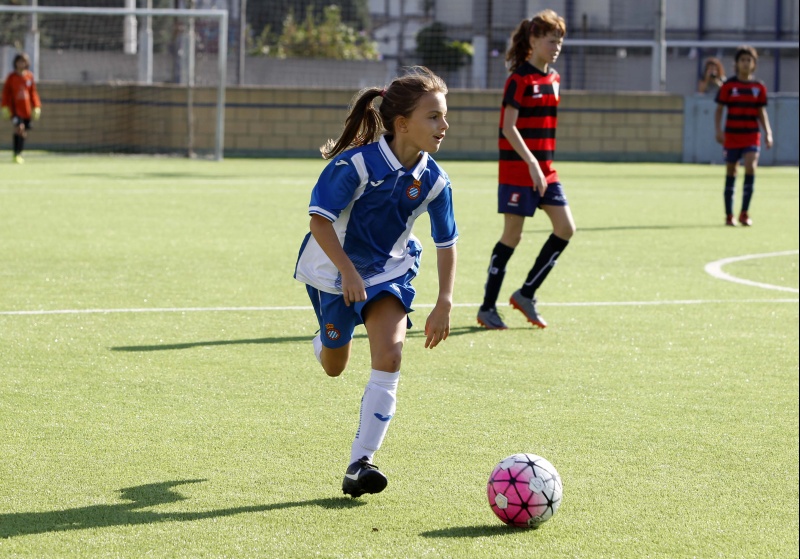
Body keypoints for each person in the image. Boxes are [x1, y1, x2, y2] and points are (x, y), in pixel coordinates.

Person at [293, 66, 458, 498]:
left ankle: (359, 463)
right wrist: (347, 271)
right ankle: (325, 340)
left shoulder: (435, 181)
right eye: (434, 117)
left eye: (444, 116)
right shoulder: (355, 165)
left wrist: (444, 300)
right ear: (402, 124)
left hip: (389, 272)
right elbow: (319, 222)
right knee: (335, 366)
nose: (445, 125)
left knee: (389, 356)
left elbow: (446, 243)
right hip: (333, 273)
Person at [476, 9, 575, 330]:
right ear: (533, 40)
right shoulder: (519, 79)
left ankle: (526, 293)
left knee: (565, 228)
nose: (556, 45)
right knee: (513, 235)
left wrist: (540, 164)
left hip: (545, 169)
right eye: (551, 39)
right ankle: (488, 307)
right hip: (518, 169)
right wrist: (531, 162)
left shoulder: (554, 79)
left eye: (560, 39)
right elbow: (508, 127)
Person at [714, 45, 773, 227]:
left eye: (749, 60)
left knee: (751, 167)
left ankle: (744, 213)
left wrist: (768, 132)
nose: (746, 63)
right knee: (731, 171)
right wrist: (718, 130)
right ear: (737, 64)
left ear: (754, 64)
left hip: (751, 135)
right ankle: (729, 215)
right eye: (743, 60)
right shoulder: (729, 86)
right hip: (732, 136)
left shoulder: (759, 87)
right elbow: (719, 109)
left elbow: (761, 111)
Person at [1, 52, 42, 164]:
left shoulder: (29, 76)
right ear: (15, 63)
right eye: (19, 61)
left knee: (23, 132)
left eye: (23, 62)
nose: (21, 64)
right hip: (15, 109)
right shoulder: (11, 77)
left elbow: (33, 93)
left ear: (26, 63)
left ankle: (19, 152)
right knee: (20, 128)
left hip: (26, 110)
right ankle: (16, 154)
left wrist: (36, 106)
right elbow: (6, 93)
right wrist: (4, 106)